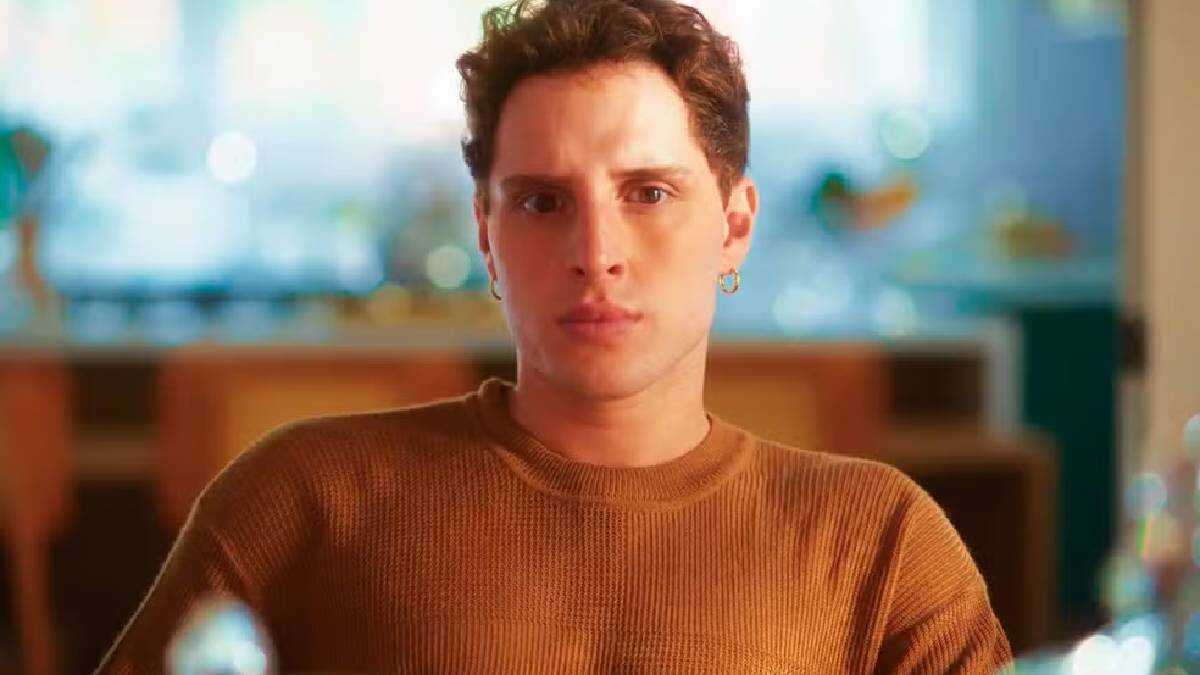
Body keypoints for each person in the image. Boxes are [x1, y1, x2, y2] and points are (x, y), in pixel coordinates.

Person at [98, 0, 1013, 672]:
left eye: (648, 193)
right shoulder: (305, 498)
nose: (595, 251)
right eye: (542, 202)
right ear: (486, 235)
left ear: (734, 225)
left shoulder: (879, 544)